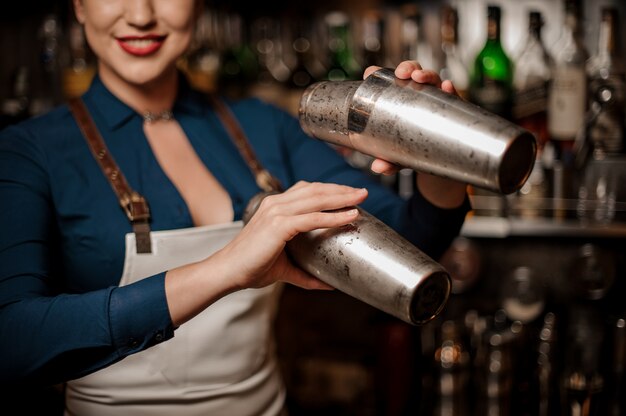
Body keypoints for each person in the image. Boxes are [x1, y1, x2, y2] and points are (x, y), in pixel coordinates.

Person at [0, 0, 470, 414]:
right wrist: (224, 269)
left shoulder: (265, 126)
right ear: (79, 6)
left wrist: (435, 153)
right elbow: (13, 341)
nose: (141, 15)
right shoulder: (29, 150)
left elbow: (410, 245)